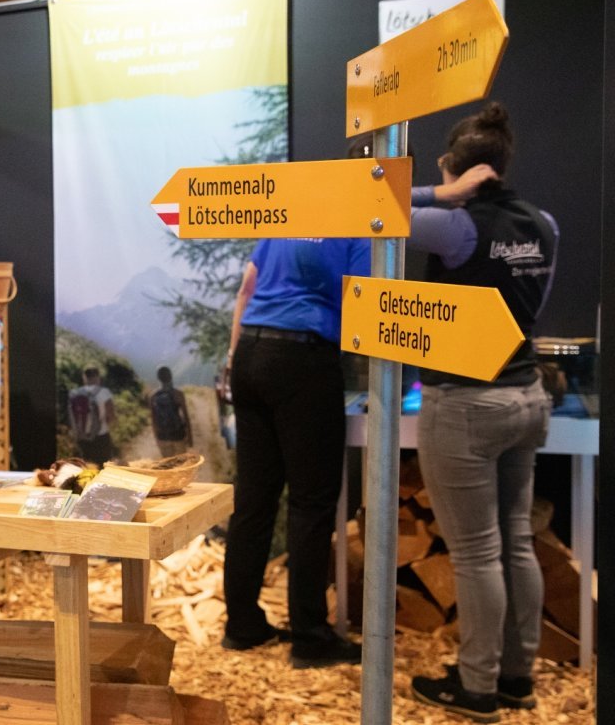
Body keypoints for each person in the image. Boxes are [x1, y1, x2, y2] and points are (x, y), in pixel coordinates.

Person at [406, 103, 557, 723]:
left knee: (474, 553)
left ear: (457, 166)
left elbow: (363, 213)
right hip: (526, 393)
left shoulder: (454, 228)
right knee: (516, 542)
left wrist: (438, 191)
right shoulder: (543, 223)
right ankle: (517, 677)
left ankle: (477, 688)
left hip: (466, 402)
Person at [220, 234, 369, 669]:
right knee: (311, 503)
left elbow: (247, 289)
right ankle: (310, 637)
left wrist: (233, 361)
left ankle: (242, 625)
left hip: (250, 352)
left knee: (253, 499)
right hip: (304, 359)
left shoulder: (290, 218)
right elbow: (366, 302)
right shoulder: (359, 233)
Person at [67, 366, 115, 464]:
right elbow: (111, 416)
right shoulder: (104, 392)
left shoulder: (74, 393)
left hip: (82, 437)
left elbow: (71, 417)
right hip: (101, 436)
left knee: (88, 466)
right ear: (98, 377)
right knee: (105, 466)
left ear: (84, 377)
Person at [149, 366, 192, 457]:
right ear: (171, 376)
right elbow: (186, 417)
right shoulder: (178, 394)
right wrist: (190, 437)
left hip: (163, 437)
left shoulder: (153, 396)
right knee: (182, 464)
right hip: (178, 435)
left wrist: (157, 438)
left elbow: (153, 420)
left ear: (158, 378)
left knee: (169, 466)